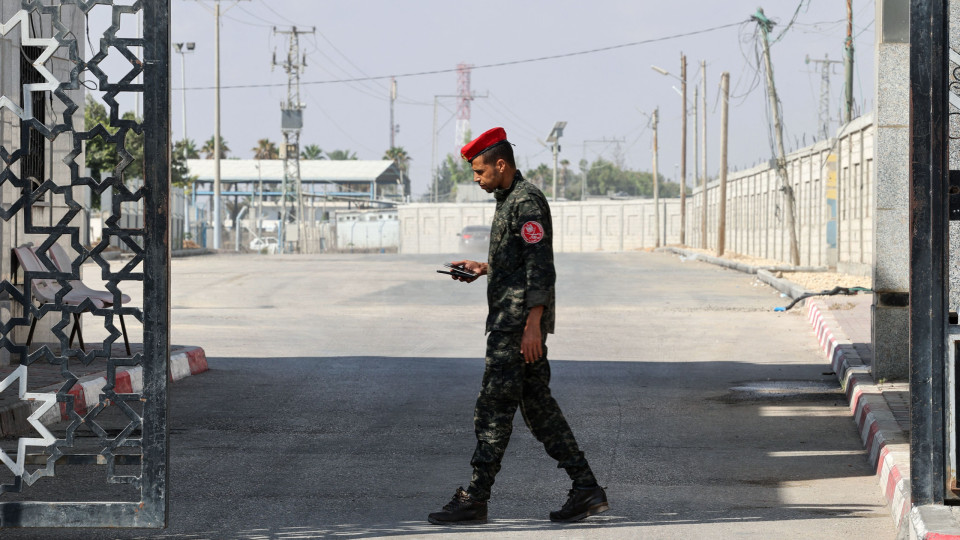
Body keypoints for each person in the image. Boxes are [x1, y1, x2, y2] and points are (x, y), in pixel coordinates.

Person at [428, 127, 608, 525]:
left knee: (493, 409)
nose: (476, 178)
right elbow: (520, 260)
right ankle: (586, 489)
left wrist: (533, 325)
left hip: (517, 326)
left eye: (479, 170)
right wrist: (483, 268)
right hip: (514, 321)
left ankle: (475, 497)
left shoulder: (526, 202)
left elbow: (541, 265)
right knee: (539, 409)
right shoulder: (507, 199)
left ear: (501, 164)